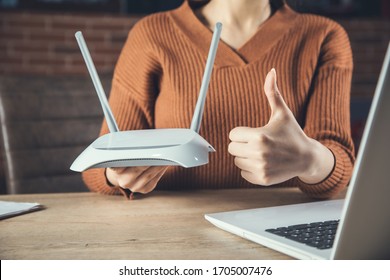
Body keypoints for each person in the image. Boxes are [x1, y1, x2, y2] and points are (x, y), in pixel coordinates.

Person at [82, 0, 355, 199]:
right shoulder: (152, 34)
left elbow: (340, 161)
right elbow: (102, 161)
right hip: (171, 229)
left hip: (279, 224)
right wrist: (116, 173)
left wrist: (311, 159)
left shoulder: (323, 36)